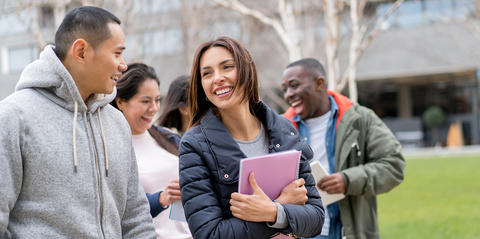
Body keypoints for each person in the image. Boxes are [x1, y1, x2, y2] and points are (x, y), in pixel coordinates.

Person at [0, 6, 156, 238]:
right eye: (117, 53)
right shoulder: (14, 117)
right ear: (81, 51)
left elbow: (135, 217)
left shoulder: (116, 123)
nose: (123, 65)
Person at [178, 36, 325, 239]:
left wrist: (272, 211)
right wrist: (280, 206)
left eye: (227, 67)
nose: (217, 78)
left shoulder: (284, 129)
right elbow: (209, 234)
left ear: (247, 70)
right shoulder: (194, 145)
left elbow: (316, 218)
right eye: (207, 73)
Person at [281, 58, 405, 239]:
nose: (288, 94)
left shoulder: (360, 119)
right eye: (285, 89)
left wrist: (348, 181)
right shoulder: (280, 128)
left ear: (319, 83)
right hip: (299, 232)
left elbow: (394, 165)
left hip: (346, 232)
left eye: (294, 85)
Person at [112, 63, 191, 239]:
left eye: (157, 100)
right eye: (146, 101)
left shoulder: (168, 138)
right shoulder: (110, 148)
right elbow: (120, 209)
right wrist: (161, 198)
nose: (154, 108)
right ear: (121, 102)